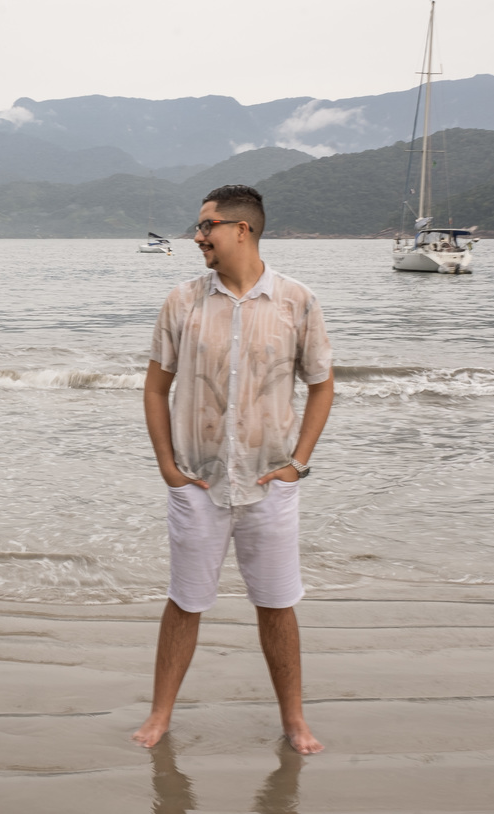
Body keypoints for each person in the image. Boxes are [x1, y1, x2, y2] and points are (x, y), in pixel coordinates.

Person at [133, 185, 334, 754]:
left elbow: (322, 386)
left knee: (276, 603)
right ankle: (160, 716)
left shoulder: (298, 300)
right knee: (185, 601)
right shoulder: (182, 301)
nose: (197, 236)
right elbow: (155, 388)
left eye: (206, 226)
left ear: (241, 229)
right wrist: (168, 466)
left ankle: (294, 720)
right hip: (197, 482)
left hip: (270, 482)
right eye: (199, 228)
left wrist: (298, 464)